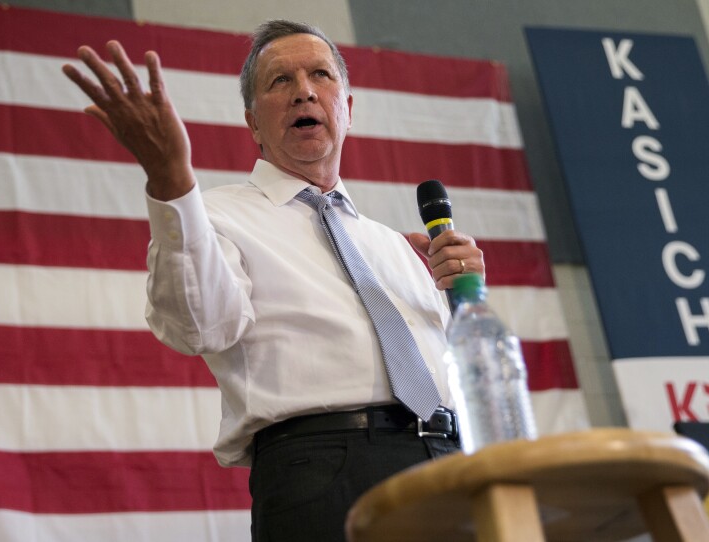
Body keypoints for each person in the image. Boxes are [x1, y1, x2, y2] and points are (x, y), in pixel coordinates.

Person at [62, 20, 484, 542]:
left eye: (320, 75)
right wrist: (170, 177)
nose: (304, 90)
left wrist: (467, 300)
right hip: (324, 473)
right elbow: (199, 327)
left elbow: (459, 377)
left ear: (348, 109)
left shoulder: (396, 247)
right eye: (279, 81)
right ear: (253, 123)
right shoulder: (211, 216)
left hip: (448, 463)